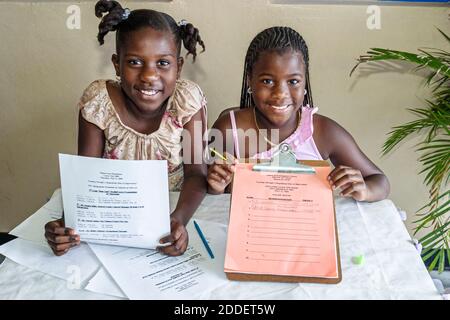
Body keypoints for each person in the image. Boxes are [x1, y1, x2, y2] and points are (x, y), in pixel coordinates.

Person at [45, 0, 207, 256]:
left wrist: (178, 220)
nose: (149, 76)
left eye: (163, 63)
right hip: (114, 217)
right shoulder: (99, 102)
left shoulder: (186, 101)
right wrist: (67, 225)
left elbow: (197, 173)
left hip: (174, 207)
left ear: (179, 66)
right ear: (116, 64)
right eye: (134, 62)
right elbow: (86, 177)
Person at [207, 26, 390, 202]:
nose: (280, 93)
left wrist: (365, 190)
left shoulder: (322, 132)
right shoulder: (228, 129)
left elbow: (379, 180)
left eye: (293, 81)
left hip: (305, 229)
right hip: (250, 230)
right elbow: (207, 195)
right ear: (250, 80)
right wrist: (216, 187)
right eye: (267, 81)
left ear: (304, 83)